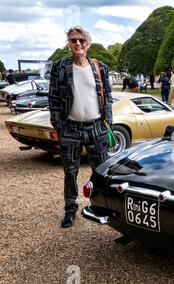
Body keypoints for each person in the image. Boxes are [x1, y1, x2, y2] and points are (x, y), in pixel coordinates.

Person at [49, 26, 112, 228]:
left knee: (102, 170)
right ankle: (70, 209)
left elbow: (108, 96)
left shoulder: (99, 66)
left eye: (81, 40)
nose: (78, 43)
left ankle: (102, 206)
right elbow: (53, 99)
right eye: (74, 40)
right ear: (69, 43)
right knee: (70, 172)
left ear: (88, 44)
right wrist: (58, 125)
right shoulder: (59, 67)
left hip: (96, 127)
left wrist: (107, 121)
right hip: (70, 129)